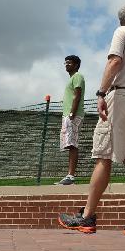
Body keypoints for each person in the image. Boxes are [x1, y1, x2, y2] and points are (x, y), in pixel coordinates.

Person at [58, 5, 125, 235]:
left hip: (123, 95)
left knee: (103, 154)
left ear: (122, 21)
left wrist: (101, 93)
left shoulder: (122, 32)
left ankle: (87, 217)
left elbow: (114, 61)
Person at [57, 55, 86, 185]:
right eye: (66, 63)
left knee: (72, 144)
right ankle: (69, 175)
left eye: (69, 63)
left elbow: (77, 95)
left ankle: (71, 176)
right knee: (69, 144)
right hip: (68, 115)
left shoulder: (77, 77)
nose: (67, 65)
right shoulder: (71, 78)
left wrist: (72, 113)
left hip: (73, 115)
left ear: (76, 65)